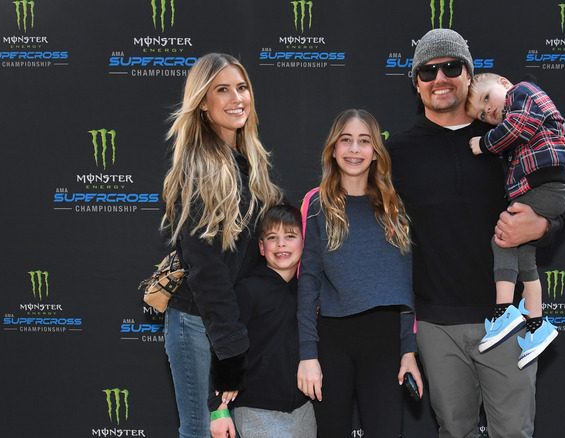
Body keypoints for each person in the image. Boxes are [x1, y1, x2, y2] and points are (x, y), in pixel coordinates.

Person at [384, 29, 564, 438]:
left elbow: (552, 196)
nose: (440, 78)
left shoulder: (509, 140)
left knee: (513, 433)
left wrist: (544, 226)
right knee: (454, 432)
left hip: (508, 320)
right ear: (416, 83)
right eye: (427, 71)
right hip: (435, 324)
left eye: (451, 66)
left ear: (470, 73)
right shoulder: (396, 155)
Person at [160, 52, 284, 438]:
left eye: (242, 87)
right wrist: (230, 350)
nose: (237, 98)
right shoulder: (200, 167)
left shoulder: (246, 162)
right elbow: (207, 268)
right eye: (222, 90)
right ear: (202, 103)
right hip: (198, 323)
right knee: (199, 431)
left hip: (224, 323)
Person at [296, 109, 423, 437]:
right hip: (331, 339)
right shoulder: (316, 203)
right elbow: (307, 281)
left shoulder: (396, 206)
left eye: (364, 141)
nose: (354, 149)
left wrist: (408, 350)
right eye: (346, 140)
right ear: (333, 149)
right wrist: (308, 355)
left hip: (384, 340)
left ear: (376, 151)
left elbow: (405, 283)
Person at [466, 73, 565, 368]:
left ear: (503, 83)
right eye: (482, 114)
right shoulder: (516, 108)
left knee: (502, 237)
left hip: (547, 185)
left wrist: (485, 143)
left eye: (487, 98)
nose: (489, 112)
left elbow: (518, 127)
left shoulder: (522, 93)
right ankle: (537, 325)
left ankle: (505, 311)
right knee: (524, 253)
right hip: (547, 187)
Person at [209, 205, 317, 438]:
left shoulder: (309, 292)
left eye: (290, 236)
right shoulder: (248, 290)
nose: (281, 244)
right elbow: (226, 347)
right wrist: (220, 409)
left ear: (304, 241)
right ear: (261, 247)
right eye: (272, 238)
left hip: (304, 411)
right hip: (256, 409)